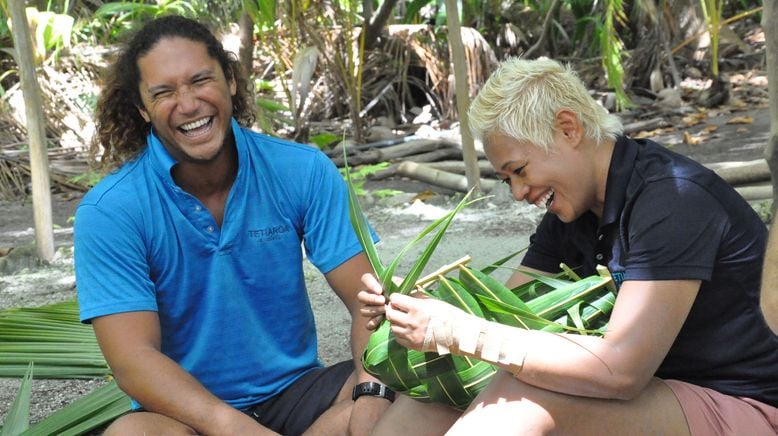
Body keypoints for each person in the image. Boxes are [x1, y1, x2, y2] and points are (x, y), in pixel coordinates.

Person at [359, 57, 778, 435]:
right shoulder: (571, 211)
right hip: (660, 392)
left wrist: (459, 330)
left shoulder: (672, 200)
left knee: (524, 400)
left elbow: (620, 369)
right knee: (430, 404)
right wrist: (415, 307)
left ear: (568, 128)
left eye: (519, 170)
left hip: (741, 402)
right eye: (507, 180)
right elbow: (509, 313)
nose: (519, 192)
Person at [74, 15, 392, 435]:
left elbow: (368, 304)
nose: (187, 104)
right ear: (142, 109)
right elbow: (134, 362)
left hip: (297, 393)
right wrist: (237, 429)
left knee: (407, 392)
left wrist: (371, 395)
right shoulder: (110, 211)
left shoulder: (302, 170)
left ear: (232, 82)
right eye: (163, 92)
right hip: (186, 413)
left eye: (200, 80)